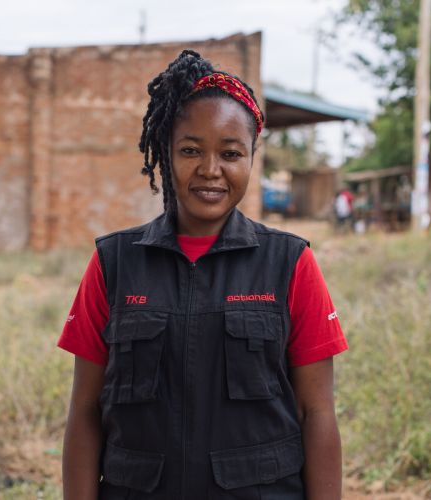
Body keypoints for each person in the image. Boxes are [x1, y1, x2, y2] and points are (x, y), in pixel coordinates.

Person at [58, 50, 348, 500]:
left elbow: (318, 413)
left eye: (230, 153)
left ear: (252, 156)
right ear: (164, 153)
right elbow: (84, 410)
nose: (210, 170)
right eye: (190, 150)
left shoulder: (290, 264)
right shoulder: (114, 263)